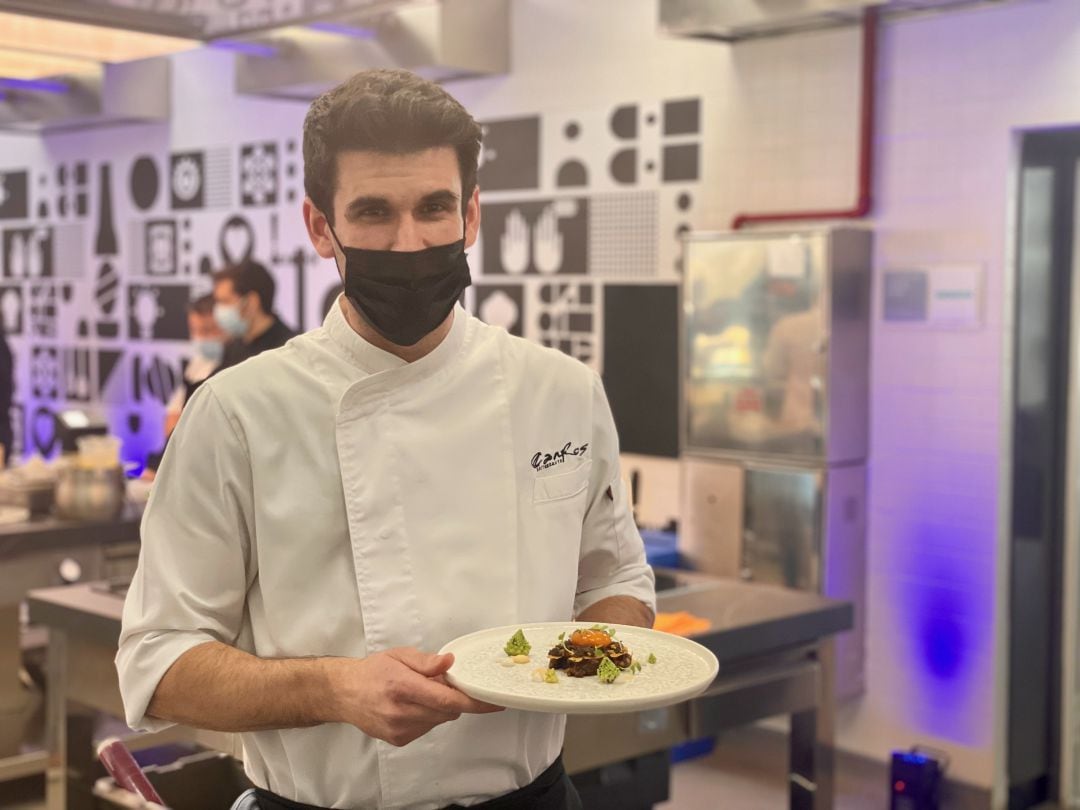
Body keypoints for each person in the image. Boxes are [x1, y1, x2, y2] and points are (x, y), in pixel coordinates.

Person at [116, 69, 655, 810]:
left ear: (470, 215)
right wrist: (332, 688)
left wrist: (571, 664)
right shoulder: (237, 413)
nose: (410, 242)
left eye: (434, 207)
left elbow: (617, 582)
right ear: (319, 227)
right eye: (373, 212)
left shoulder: (560, 390)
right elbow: (158, 661)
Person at [143, 294, 227, 477]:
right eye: (195, 331)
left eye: (208, 330)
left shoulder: (236, 365)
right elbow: (174, 414)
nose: (201, 338)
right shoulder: (197, 363)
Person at [212, 259, 296, 372]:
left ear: (251, 302)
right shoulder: (233, 347)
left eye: (225, 301)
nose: (219, 309)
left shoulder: (288, 349)